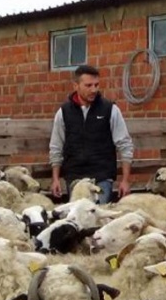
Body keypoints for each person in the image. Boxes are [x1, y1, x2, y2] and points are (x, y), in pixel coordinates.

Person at [49, 65, 134, 204]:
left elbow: (124, 144)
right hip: (75, 177)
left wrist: (125, 180)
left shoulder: (110, 109)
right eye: (88, 85)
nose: (94, 89)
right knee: (79, 215)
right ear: (76, 85)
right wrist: (55, 179)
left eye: (96, 85)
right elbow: (56, 146)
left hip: (102, 177)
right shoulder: (63, 112)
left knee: (98, 213)